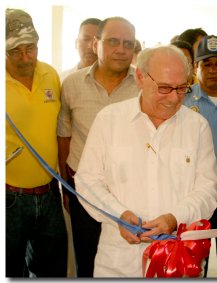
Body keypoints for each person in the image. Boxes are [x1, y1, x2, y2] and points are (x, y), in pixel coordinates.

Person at [74, 45, 217, 277]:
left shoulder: (197, 127)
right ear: (140, 78)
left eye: (182, 88)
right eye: (164, 88)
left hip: (177, 260)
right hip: (118, 262)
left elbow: (207, 191)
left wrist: (175, 218)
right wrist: (117, 214)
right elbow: (87, 181)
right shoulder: (109, 120)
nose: (174, 98)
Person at [57, 16, 139, 277]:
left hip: (131, 191)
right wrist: (66, 187)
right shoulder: (71, 84)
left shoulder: (144, 85)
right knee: (88, 260)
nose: (121, 49)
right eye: (113, 41)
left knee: (130, 261)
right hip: (85, 192)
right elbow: (64, 137)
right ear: (96, 43)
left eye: (128, 43)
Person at [5, 8, 67, 277]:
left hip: (50, 192)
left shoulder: (50, 75)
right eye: (14, 51)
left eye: (30, 48)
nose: (24, 57)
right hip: (9, 199)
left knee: (52, 271)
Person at [184, 35, 217, 277]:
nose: (213, 70)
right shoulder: (182, 100)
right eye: (207, 63)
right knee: (194, 259)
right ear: (196, 67)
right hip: (194, 190)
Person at [60, 18, 101, 82]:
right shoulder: (62, 79)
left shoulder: (113, 81)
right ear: (76, 43)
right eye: (86, 39)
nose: (91, 46)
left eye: (96, 41)